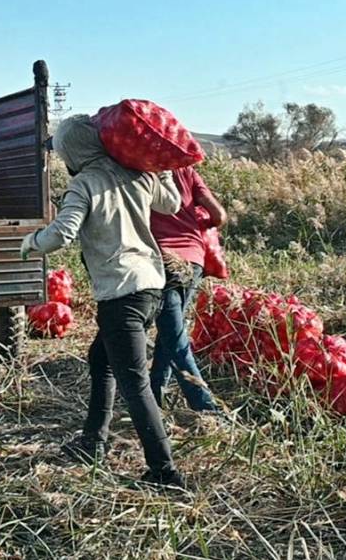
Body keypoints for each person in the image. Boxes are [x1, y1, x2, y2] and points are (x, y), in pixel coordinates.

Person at [20, 115, 187, 489]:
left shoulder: (84, 184)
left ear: (73, 152)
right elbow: (172, 205)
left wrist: (31, 243)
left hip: (122, 293)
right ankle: (92, 441)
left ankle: (165, 472)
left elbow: (61, 234)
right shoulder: (136, 175)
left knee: (135, 383)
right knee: (101, 359)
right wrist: (161, 166)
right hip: (150, 288)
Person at [149, 165, 227, 413]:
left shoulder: (140, 166)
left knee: (173, 335)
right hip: (193, 260)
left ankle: (206, 408)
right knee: (169, 329)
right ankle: (154, 391)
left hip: (165, 261)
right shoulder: (187, 170)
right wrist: (196, 220)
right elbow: (219, 216)